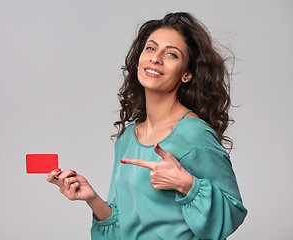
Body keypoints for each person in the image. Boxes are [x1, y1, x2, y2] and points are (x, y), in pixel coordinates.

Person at [47, 12, 247, 240]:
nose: (155, 58)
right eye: (151, 48)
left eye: (171, 54)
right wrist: (92, 199)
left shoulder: (194, 134)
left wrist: (187, 184)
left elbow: (232, 212)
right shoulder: (128, 137)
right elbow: (126, 224)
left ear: (187, 74)